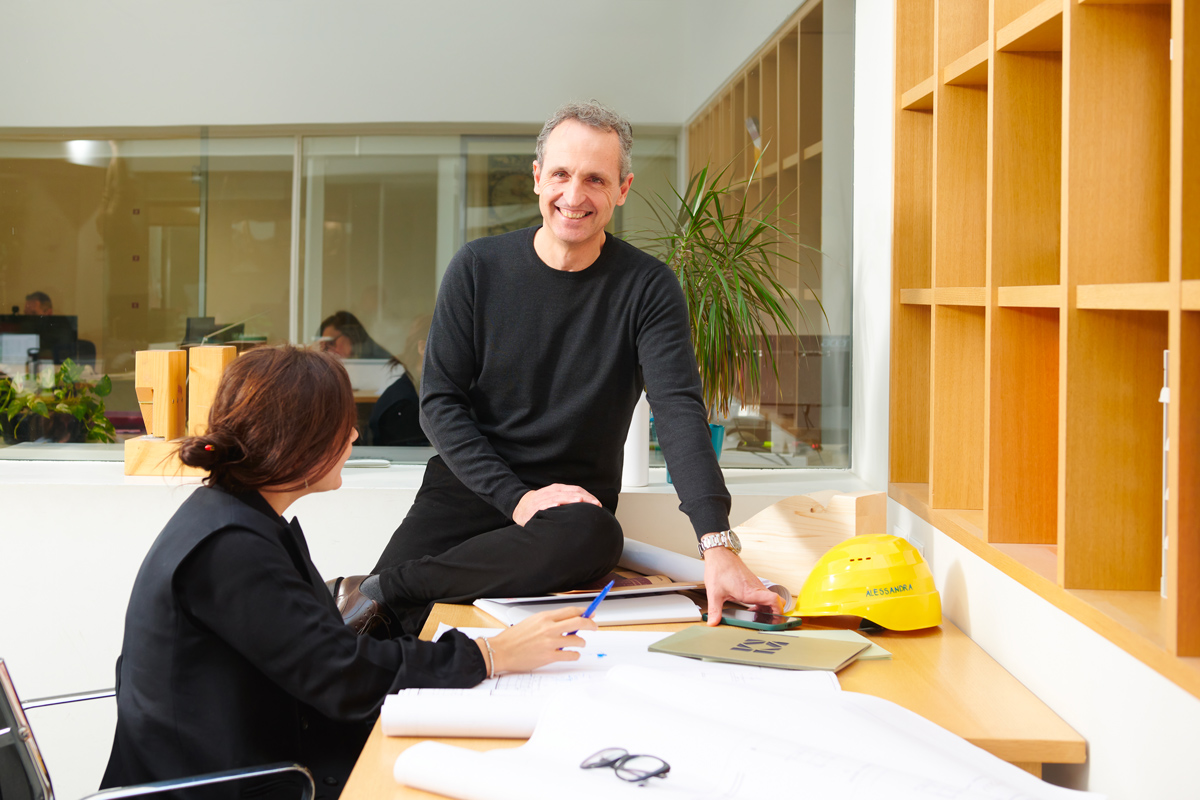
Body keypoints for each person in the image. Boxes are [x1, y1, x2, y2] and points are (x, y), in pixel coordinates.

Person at [339, 101, 780, 636]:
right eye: (561, 174)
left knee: (598, 536)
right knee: (371, 635)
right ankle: (390, 590)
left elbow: (678, 409)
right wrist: (518, 499)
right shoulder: (477, 268)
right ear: (537, 178)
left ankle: (392, 586)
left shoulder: (648, 287)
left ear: (622, 188)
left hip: (567, 521)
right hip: (466, 494)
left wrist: (717, 544)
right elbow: (439, 404)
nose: (574, 196)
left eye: (595, 179)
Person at [100, 346, 595, 800]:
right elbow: (342, 674)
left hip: (265, 757)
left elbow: (330, 660)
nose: (355, 435)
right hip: (237, 784)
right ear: (299, 442)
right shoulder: (229, 547)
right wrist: (490, 655)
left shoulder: (238, 519)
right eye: (343, 426)